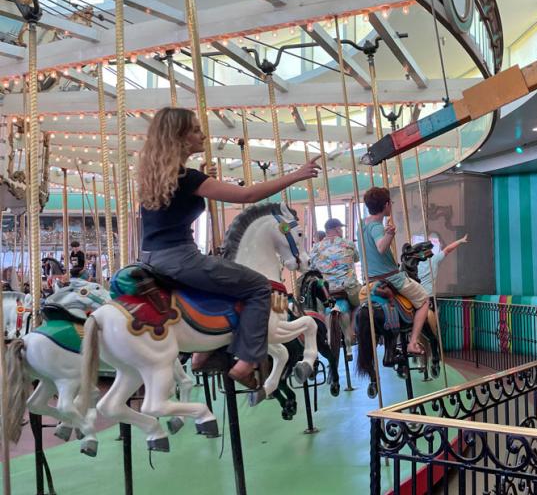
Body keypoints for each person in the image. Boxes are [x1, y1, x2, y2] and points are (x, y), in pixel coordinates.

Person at [137, 107, 321, 387]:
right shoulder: (189, 180)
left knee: (219, 288)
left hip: (151, 259)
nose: (203, 134)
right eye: (196, 130)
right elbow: (247, 195)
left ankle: (203, 353)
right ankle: (246, 360)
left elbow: (177, 207)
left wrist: (202, 177)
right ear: (180, 137)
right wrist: (295, 175)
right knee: (259, 286)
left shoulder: (159, 176)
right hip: (180, 258)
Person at [362, 187, 430, 355]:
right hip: (391, 278)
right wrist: (389, 235)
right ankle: (413, 342)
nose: (390, 206)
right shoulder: (377, 227)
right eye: (390, 203)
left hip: (369, 280)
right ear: (386, 205)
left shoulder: (361, 225)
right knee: (424, 301)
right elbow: (380, 247)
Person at [309, 218, 360, 338]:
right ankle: (352, 330)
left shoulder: (316, 248)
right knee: (362, 301)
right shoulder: (348, 244)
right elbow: (357, 258)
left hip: (325, 289)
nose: (341, 230)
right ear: (337, 229)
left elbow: (311, 268)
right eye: (341, 228)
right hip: (347, 287)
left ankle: (320, 332)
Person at [417, 233, 468, 298]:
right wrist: (460, 241)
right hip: (428, 295)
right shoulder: (434, 259)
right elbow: (447, 249)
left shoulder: (416, 262)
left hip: (417, 295)